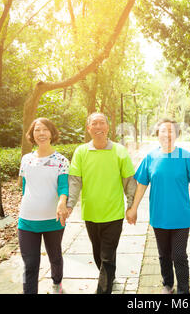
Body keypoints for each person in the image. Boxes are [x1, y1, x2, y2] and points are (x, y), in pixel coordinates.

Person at [126, 118, 190, 294]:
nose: (167, 134)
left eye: (171, 131)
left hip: (181, 217)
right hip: (159, 216)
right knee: (164, 255)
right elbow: (142, 185)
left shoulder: (185, 156)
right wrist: (133, 208)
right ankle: (167, 284)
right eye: (163, 131)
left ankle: (184, 290)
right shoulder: (150, 158)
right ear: (157, 134)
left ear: (176, 135)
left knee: (179, 255)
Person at [67, 112, 136, 294]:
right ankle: (108, 278)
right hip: (91, 214)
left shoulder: (119, 151)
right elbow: (75, 181)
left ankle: (103, 289)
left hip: (114, 214)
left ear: (108, 127)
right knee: (98, 255)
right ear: (89, 128)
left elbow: (129, 180)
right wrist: (69, 205)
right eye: (94, 124)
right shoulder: (81, 152)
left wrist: (132, 206)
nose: (98, 127)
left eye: (102, 123)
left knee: (107, 257)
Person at [18, 117, 70, 294]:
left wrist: (62, 203)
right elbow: (26, 187)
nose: (41, 133)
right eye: (37, 130)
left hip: (53, 219)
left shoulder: (61, 160)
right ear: (32, 134)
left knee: (55, 257)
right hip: (27, 220)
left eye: (45, 129)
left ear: (51, 133)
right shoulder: (26, 159)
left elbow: (63, 186)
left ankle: (57, 283)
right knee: (30, 264)